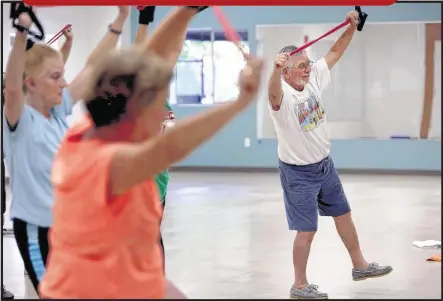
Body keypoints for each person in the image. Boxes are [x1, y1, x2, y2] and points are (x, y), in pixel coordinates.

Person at [39, 6, 263, 299]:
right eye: (157, 105)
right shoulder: (108, 163)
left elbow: (146, 63)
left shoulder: (85, 132)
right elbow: (171, 146)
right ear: (133, 109)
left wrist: (186, 10)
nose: (163, 116)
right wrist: (240, 102)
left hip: (125, 280)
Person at [2, 4, 129, 294]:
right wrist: (21, 33)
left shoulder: (58, 113)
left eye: (62, 75)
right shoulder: (19, 120)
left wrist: (120, 20)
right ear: (30, 83)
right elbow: (11, 89)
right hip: (36, 230)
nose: (64, 83)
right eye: (55, 77)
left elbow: (93, 69)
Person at [267, 10, 393, 299]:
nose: (307, 69)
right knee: (306, 230)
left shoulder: (313, 79)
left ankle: (360, 265)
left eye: (308, 64)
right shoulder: (282, 97)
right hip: (298, 173)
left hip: (325, 165)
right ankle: (299, 285)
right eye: (300, 66)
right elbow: (272, 92)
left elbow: (336, 50)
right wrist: (274, 70)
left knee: (343, 215)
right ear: (286, 71)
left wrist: (352, 26)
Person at [134, 5, 176, 273]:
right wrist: (144, 19)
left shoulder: (163, 100)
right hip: (139, 185)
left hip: (159, 182)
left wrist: (187, 14)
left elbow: (174, 51)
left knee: (153, 238)